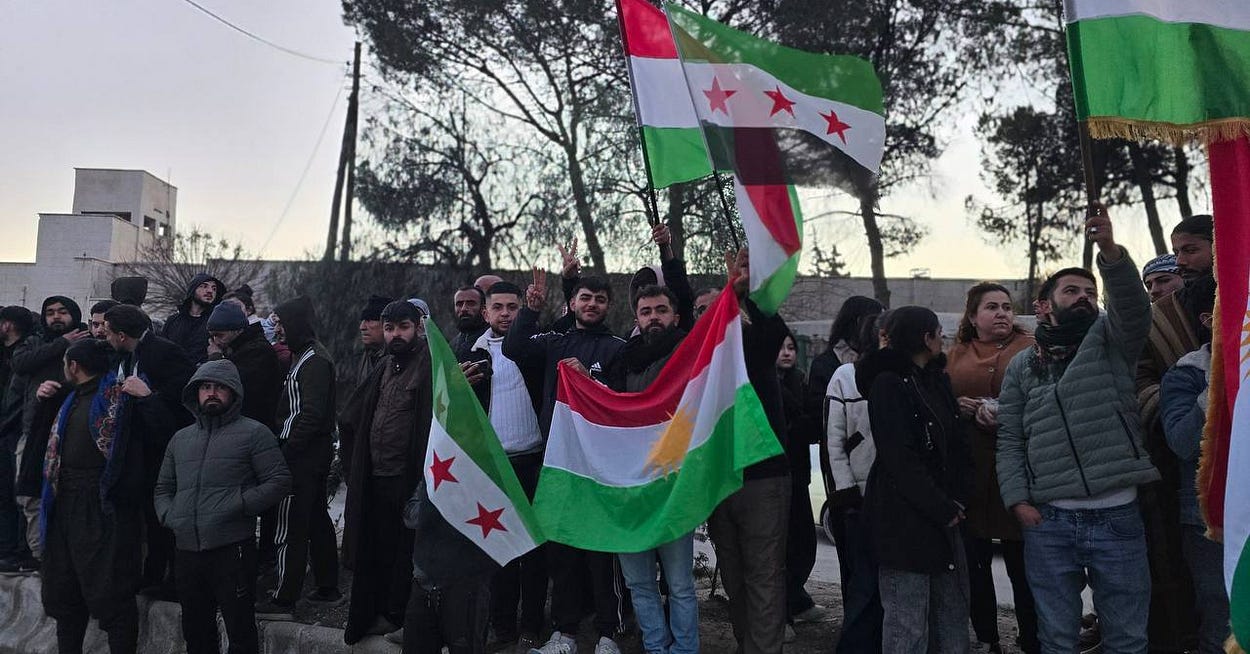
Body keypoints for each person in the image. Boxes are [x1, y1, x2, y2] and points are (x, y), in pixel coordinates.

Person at [997, 206, 1159, 652]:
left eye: (1091, 291)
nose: (1085, 297)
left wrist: (1109, 250)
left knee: (1127, 638)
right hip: (1049, 521)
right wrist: (1018, 501)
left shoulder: (1113, 341)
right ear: (1043, 306)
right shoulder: (1022, 367)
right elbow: (1010, 438)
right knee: (1057, 639)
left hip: (1118, 516)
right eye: (1072, 291)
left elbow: (1133, 307)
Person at [504, 272, 627, 654]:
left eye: (600, 299)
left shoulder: (618, 348)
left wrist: (588, 380)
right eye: (585, 297)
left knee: (601, 553)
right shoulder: (554, 342)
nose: (592, 304)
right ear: (572, 303)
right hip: (557, 462)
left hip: (600, 468)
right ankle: (565, 633)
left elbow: (623, 403)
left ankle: (609, 634)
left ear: (608, 306)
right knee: (562, 553)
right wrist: (530, 310)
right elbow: (513, 348)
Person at [155, 359, 291, 654]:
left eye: (220, 387)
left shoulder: (254, 433)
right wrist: (170, 515)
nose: (212, 393)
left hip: (232, 550)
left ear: (234, 392)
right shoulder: (180, 439)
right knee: (195, 633)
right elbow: (163, 488)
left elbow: (279, 481)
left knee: (240, 633)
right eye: (205, 387)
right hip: (187, 551)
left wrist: (239, 505)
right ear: (196, 392)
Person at [856, 306, 971, 654]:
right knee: (907, 623)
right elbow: (900, 459)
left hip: (944, 516)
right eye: (938, 331)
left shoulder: (934, 380)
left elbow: (954, 444)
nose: (943, 338)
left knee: (950, 615)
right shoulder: (889, 384)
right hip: (904, 522)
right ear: (925, 337)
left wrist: (957, 498)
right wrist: (941, 506)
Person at [603, 284, 699, 654]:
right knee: (639, 583)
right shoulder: (623, 360)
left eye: (661, 310)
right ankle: (657, 648)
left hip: (673, 485)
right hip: (629, 488)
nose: (653, 317)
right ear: (637, 319)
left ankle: (685, 650)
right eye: (646, 311)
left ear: (676, 316)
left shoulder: (691, 353)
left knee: (680, 584)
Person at [705, 249, 792, 654]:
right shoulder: (703, 360)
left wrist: (745, 293)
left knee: (764, 575)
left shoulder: (755, 348)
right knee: (734, 578)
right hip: (720, 479)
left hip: (763, 477)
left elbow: (771, 335)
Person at [339, 300, 440, 644]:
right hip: (378, 477)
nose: (396, 334)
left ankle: (403, 618)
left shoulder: (430, 365)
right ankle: (381, 613)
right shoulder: (383, 367)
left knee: (408, 554)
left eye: (403, 327)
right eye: (390, 328)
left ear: (418, 327)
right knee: (380, 550)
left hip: (411, 479)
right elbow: (352, 417)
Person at [946, 283, 1038, 654]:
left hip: (1020, 471)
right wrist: (958, 407)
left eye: (1006, 307)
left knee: (1025, 565)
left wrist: (1008, 413)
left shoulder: (1032, 348)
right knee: (975, 563)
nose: (1001, 313)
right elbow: (938, 400)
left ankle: (1032, 638)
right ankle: (987, 637)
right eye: (991, 307)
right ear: (972, 316)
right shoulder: (955, 354)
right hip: (972, 474)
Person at [1137, 215, 1214, 652]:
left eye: (1191, 250)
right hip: (1181, 462)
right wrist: (1177, 397)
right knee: (1191, 574)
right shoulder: (1158, 318)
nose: (1182, 260)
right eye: (1177, 251)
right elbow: (1139, 380)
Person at [39, 339, 146, 653]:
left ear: (73, 366)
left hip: (101, 506)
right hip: (64, 503)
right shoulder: (69, 399)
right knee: (64, 591)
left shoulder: (116, 398)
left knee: (110, 591)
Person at [461, 282, 547, 651]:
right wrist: (459, 386)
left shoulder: (536, 345)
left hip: (535, 461)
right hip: (494, 464)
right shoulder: (469, 352)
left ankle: (532, 625)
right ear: (485, 313)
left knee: (535, 552)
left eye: (513, 306)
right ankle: (503, 626)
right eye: (498, 307)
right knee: (500, 550)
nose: (506, 313)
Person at [100, 304, 197, 598]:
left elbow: (183, 404)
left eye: (107, 332)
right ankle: (152, 574)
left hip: (164, 450)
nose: (104, 338)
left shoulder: (165, 353)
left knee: (164, 518)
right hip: (140, 452)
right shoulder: (127, 356)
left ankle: (173, 580)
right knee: (149, 517)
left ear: (121, 335)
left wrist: (148, 396)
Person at [257, 297, 341, 619]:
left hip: (302, 455)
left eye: (281, 323)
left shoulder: (313, 361)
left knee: (288, 525)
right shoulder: (305, 356)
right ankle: (327, 587)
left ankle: (283, 599)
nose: (277, 329)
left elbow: (311, 415)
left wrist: (287, 452)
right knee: (316, 519)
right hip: (308, 453)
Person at [1160, 288, 1229, 654]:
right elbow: (1182, 442)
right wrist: (1220, 382)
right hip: (1209, 519)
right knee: (1222, 614)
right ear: (1208, 319)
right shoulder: (1186, 374)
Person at [809, 296, 885, 592]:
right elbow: (825, 423)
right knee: (852, 557)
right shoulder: (829, 365)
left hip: (878, 476)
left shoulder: (885, 363)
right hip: (843, 474)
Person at [825, 311, 889, 654]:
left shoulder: (911, 375)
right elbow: (833, 441)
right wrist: (846, 493)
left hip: (899, 499)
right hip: (859, 500)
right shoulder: (845, 377)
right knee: (863, 585)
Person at [10, 297, 90, 571]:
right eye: (51, 313)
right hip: (34, 430)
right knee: (28, 496)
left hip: (72, 431)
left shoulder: (85, 341)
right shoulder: (35, 341)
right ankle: (37, 554)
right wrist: (61, 344)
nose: (56, 317)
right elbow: (20, 363)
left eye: (62, 312)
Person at [401, 471, 498, 654]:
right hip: (424, 584)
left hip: (466, 591)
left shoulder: (484, 471)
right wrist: (439, 503)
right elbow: (410, 516)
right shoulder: (435, 469)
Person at [775, 334, 833, 632]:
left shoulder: (800, 380)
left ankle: (796, 600)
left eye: (791, 348)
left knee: (804, 543)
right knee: (781, 547)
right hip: (772, 476)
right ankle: (781, 613)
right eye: (780, 348)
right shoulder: (764, 383)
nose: (786, 353)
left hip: (798, 473)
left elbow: (812, 423)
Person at [206, 301, 282, 432]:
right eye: (213, 336)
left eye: (220, 335)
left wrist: (216, 359)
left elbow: (235, 386)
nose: (216, 341)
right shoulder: (236, 348)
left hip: (257, 426)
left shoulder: (258, 351)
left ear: (237, 330)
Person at [0, 306, 37, 575]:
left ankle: (17, 551)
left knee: (16, 496)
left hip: (14, 431)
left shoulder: (26, 354)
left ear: (8, 325)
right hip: (7, 430)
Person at [162, 273, 227, 364]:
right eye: (204, 286)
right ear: (193, 290)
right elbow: (162, 349)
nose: (210, 291)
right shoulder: (173, 321)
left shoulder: (217, 323)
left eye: (214, 289)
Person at [356, 295, 392, 385]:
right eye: (362, 321)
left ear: (386, 325)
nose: (362, 327)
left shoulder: (398, 359)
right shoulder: (365, 358)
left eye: (369, 320)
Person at [451, 286, 489, 358]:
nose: (463, 309)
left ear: (483, 307)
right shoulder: (454, 344)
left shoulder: (493, 338)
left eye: (471, 304)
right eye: (459, 304)